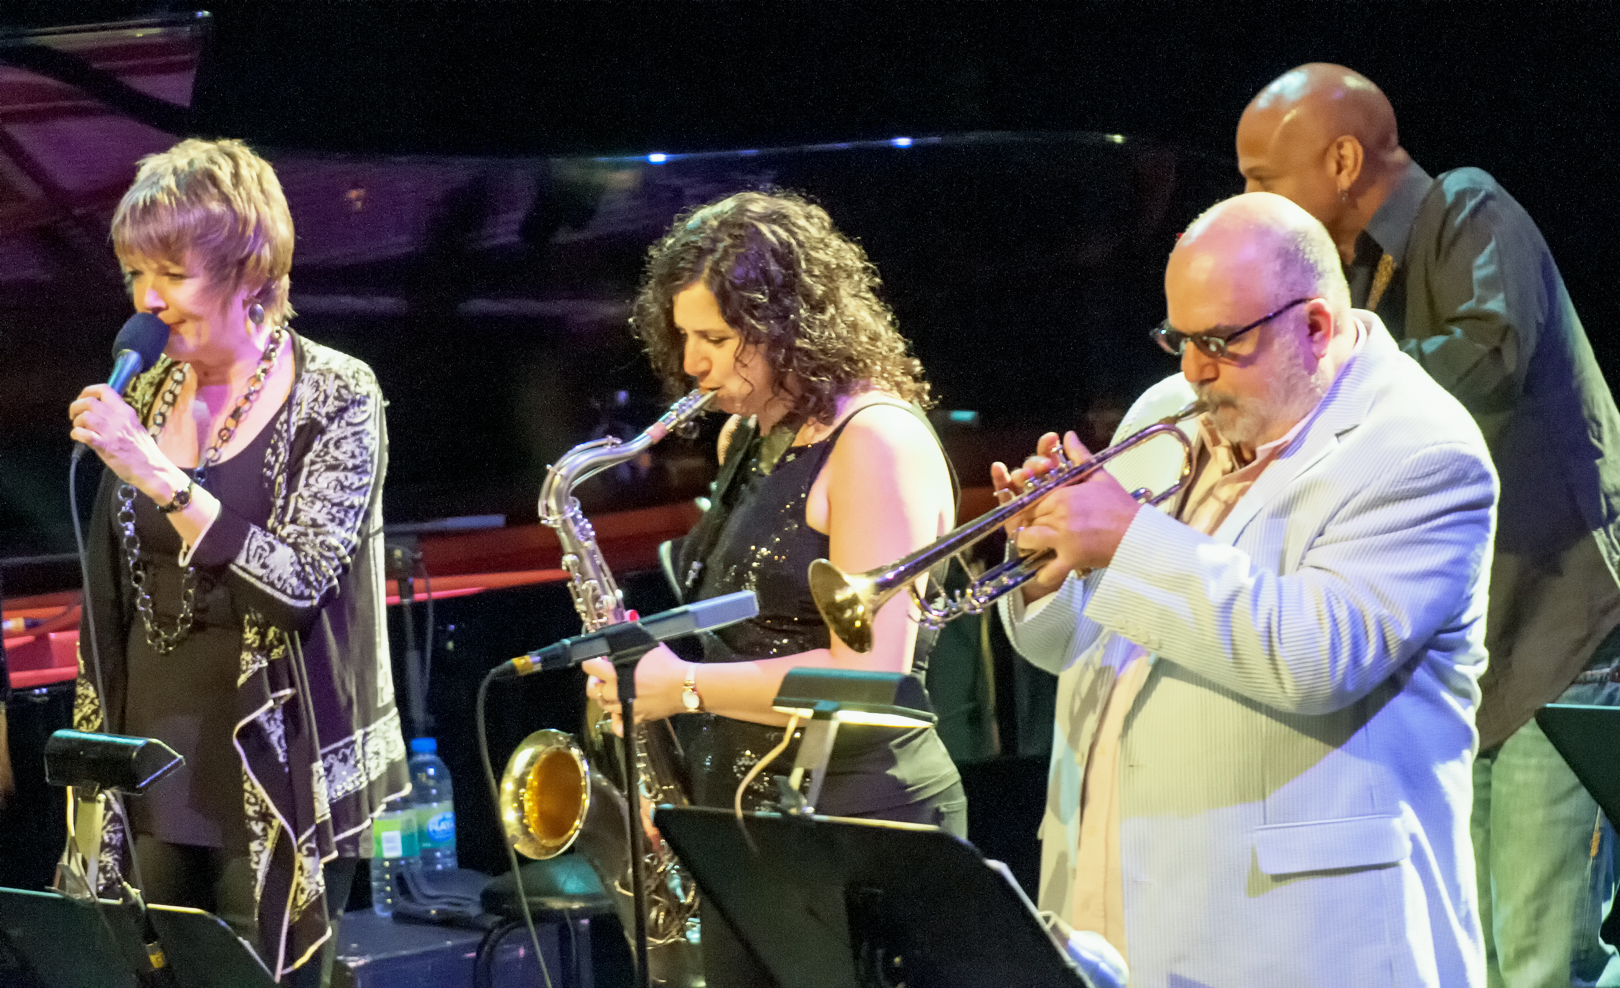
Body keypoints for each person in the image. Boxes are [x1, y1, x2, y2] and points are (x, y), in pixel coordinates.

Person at [996, 192, 1496, 987]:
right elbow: (1080, 647)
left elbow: (1316, 657)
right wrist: (1049, 567)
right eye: (1180, 339)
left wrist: (1125, 539)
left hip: (1295, 938)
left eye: (1222, 343)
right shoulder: (1170, 410)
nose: (1194, 370)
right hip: (1113, 907)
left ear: (1316, 327)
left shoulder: (1421, 451)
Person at [1237, 63, 1620, 987]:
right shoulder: (1367, 273)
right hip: (1485, 650)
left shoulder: (1467, 208)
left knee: (1540, 958)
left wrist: (1325, 379)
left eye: (1259, 178)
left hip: (1568, 636)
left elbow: (1490, 355)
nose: (1247, 202)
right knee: (1478, 954)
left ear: (1340, 158)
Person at [583, 191, 965, 987]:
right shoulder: (750, 435)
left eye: (717, 339)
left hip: (858, 824)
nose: (692, 364)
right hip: (753, 820)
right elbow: (751, 632)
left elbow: (872, 681)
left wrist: (681, 689)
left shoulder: (876, 444)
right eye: (684, 336)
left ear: (789, 325)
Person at [68, 138, 408, 987]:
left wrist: (156, 472)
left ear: (249, 272)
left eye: (172, 276)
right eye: (133, 275)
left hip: (274, 766)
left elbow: (297, 585)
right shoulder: (143, 389)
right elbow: (111, 597)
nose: (148, 302)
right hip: (148, 757)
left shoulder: (338, 394)